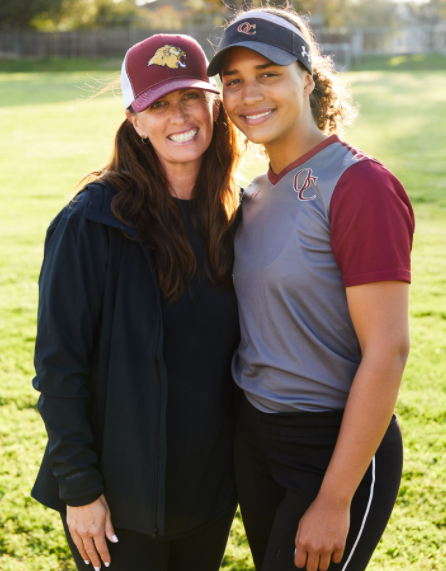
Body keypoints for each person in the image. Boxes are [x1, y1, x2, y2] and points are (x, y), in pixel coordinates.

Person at [207, 7, 415, 571]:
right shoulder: (252, 193)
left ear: (308, 77)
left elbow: (388, 349)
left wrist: (334, 497)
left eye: (268, 73)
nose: (249, 94)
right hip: (256, 439)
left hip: (331, 447)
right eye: (233, 81)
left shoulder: (359, 184)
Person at [31, 33, 243, 571]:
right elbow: (59, 368)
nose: (180, 116)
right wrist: (79, 489)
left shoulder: (234, 215)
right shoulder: (92, 221)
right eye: (160, 103)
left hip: (209, 495)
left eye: (191, 97)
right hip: (118, 504)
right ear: (135, 118)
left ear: (213, 104)